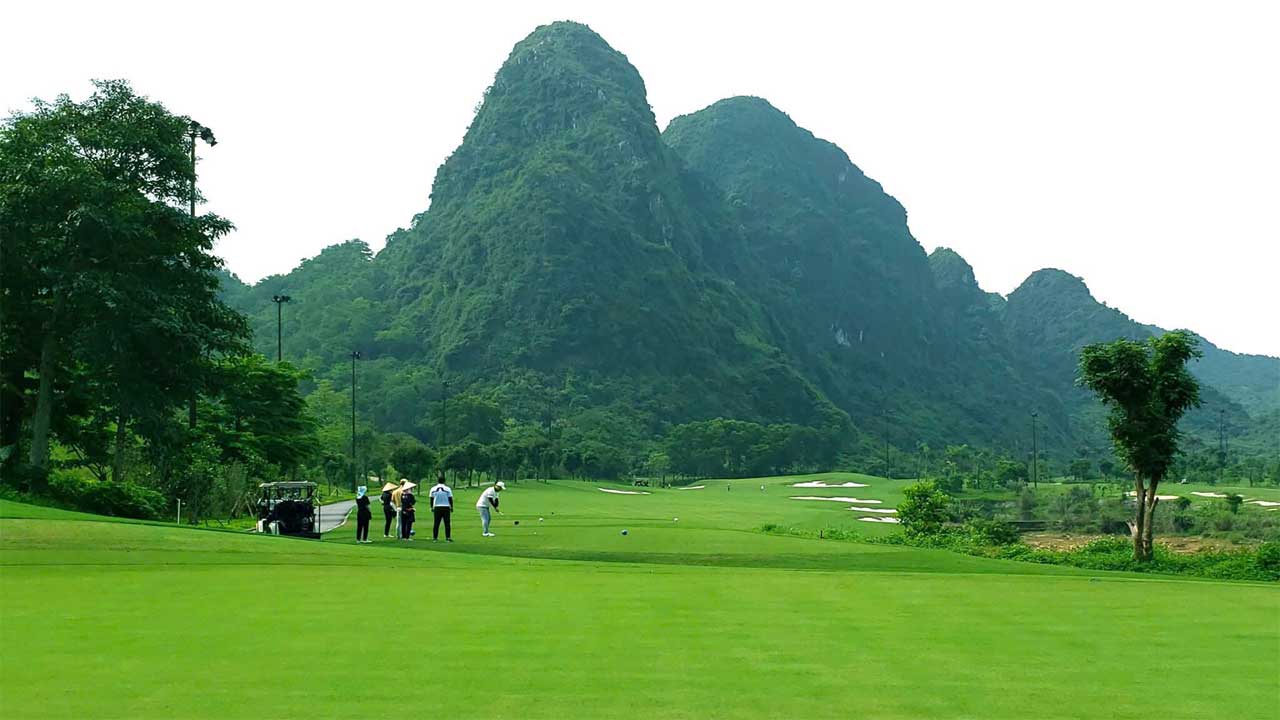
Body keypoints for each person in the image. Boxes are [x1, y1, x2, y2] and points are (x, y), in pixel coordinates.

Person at [428, 471, 454, 542]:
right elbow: (450, 498)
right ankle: (448, 537)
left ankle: (435, 538)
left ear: (438, 481)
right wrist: (451, 507)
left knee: (436, 523)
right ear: (444, 481)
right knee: (447, 523)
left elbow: (431, 498)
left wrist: (431, 507)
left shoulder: (433, 489)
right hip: (446, 507)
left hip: (437, 507)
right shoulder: (447, 489)